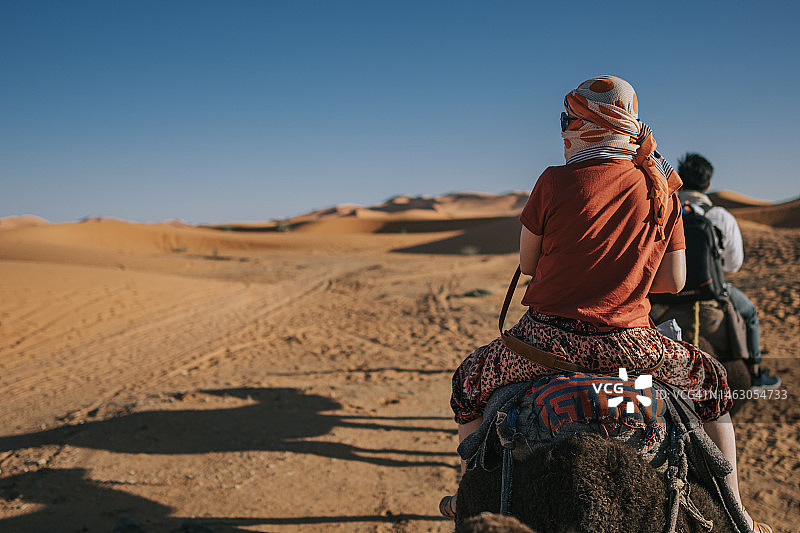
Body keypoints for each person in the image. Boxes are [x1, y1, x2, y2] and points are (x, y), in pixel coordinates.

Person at [440, 76, 772, 533]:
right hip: (632, 345)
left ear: (584, 124)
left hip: (544, 341)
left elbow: (528, 263)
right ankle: (736, 509)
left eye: (567, 120)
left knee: (468, 383)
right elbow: (674, 280)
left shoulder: (553, 181)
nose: (563, 130)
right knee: (714, 385)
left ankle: (468, 493)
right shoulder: (660, 187)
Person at [676, 153, 780, 391]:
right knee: (750, 313)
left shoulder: (666, 210)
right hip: (711, 291)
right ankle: (754, 373)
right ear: (708, 185)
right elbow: (733, 265)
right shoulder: (720, 217)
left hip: (665, 292)